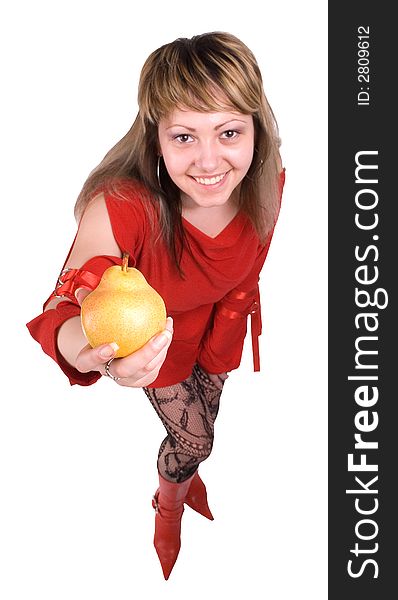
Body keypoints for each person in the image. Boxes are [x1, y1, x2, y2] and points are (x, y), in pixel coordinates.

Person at [26, 31, 285, 580]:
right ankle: (168, 506)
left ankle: (186, 473)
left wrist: (235, 315)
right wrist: (95, 352)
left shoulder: (270, 181)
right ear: (157, 137)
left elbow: (252, 255)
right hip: (156, 340)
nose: (210, 160)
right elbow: (65, 305)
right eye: (185, 136)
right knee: (196, 439)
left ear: (257, 131)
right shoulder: (123, 208)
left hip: (223, 323)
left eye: (229, 132)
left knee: (201, 432)